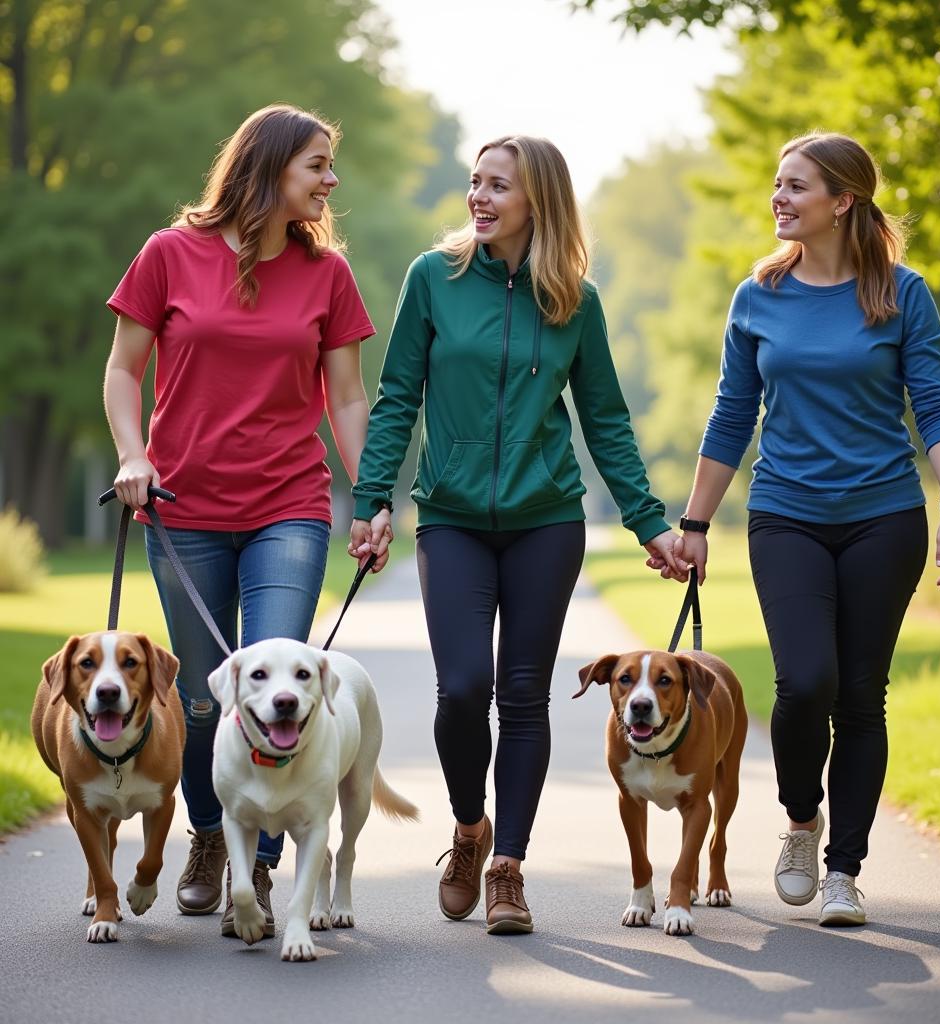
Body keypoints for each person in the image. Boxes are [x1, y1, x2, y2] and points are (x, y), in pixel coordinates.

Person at [349, 135, 682, 934]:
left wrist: (646, 520)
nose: (480, 198)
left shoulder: (575, 298)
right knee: (462, 691)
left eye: (498, 185)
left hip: (547, 522)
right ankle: (471, 829)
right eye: (475, 182)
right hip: (454, 518)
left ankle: (508, 869)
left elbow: (604, 418)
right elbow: (397, 396)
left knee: (522, 697)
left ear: (540, 200)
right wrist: (371, 499)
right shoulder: (435, 278)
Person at [664, 131, 940, 927]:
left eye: (796, 186)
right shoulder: (757, 295)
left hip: (884, 516)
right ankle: (803, 820)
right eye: (777, 183)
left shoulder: (903, 293)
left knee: (861, 694)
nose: (779, 198)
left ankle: (844, 870)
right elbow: (733, 414)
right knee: (805, 682)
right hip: (787, 515)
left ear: (843, 201)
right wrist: (695, 521)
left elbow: (934, 403)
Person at [103, 104, 374, 940]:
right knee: (199, 692)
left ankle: (258, 871)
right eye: (318, 166)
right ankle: (213, 838)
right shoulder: (168, 254)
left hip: (289, 503)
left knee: (279, 677)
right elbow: (122, 370)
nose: (331, 182)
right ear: (269, 167)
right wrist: (131, 455)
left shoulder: (326, 273)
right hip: (181, 503)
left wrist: (368, 499)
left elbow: (348, 395)